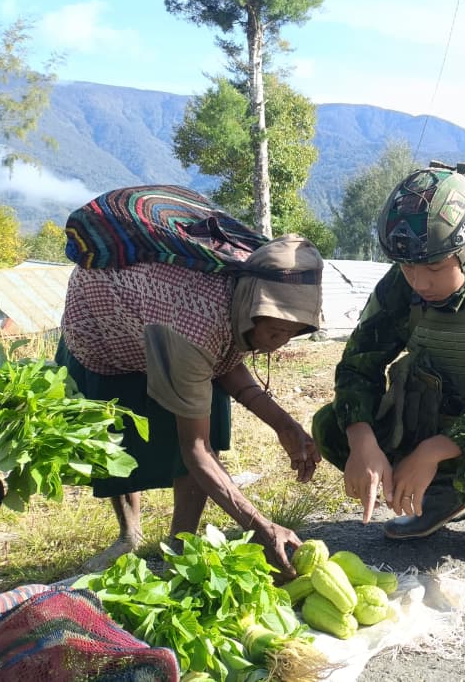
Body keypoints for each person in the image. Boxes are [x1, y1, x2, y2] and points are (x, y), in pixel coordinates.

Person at [311, 164, 465, 558]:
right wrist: (362, 441)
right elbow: (358, 365)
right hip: (431, 420)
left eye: (432, 268)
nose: (419, 282)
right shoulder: (400, 286)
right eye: (408, 267)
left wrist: (432, 451)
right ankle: (441, 497)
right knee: (333, 427)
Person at [57, 233, 324, 578]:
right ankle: (129, 534)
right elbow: (196, 450)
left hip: (171, 321)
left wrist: (285, 426)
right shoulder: (194, 326)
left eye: (292, 333)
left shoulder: (243, 293)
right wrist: (260, 525)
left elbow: (226, 362)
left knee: (206, 416)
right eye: (274, 333)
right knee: (121, 440)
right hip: (104, 324)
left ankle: (179, 547)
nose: (277, 345)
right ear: (250, 309)